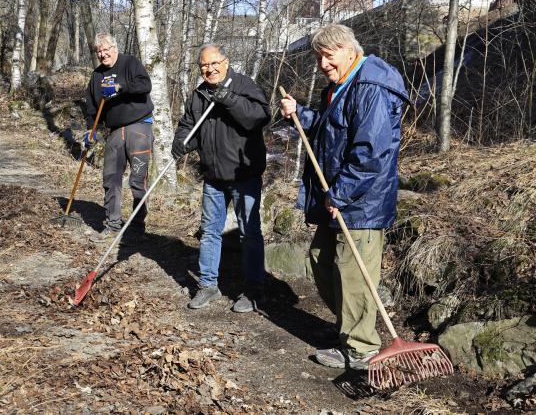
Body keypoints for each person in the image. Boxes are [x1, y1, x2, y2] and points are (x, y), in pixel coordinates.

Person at [279, 24, 408, 369]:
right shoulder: (341, 85)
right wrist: (300, 115)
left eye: (328, 55)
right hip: (335, 195)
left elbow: (371, 152)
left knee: (353, 275)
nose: (322, 64)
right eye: (318, 57)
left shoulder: (372, 88)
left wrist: (341, 192)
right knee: (322, 260)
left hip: (361, 200)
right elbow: (327, 130)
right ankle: (346, 328)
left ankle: (362, 349)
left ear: (349, 50)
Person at [172, 44, 271, 313]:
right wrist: (182, 142)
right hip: (213, 176)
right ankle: (208, 286)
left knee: (249, 234)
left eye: (214, 63)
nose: (209, 69)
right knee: (209, 232)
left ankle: (254, 291)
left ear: (226, 62)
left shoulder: (244, 86)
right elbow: (187, 125)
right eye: (204, 65)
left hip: (243, 174)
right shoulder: (199, 94)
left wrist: (230, 100)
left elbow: (259, 117)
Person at [84, 33, 154, 244]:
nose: (103, 54)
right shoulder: (96, 76)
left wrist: (120, 88)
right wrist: (90, 130)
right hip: (114, 130)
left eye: (106, 50)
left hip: (139, 126)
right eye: (99, 52)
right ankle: (113, 225)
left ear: (115, 48)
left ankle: (137, 225)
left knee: (137, 178)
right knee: (111, 178)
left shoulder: (129, 62)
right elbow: (91, 108)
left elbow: (145, 85)